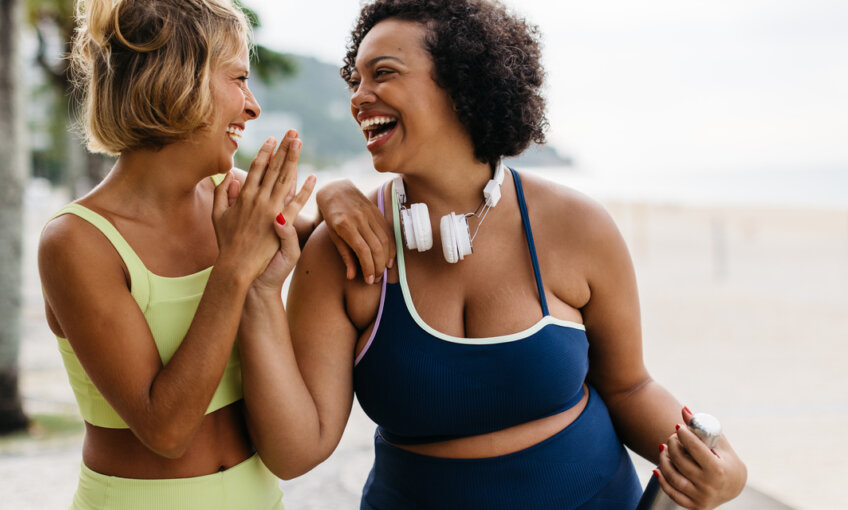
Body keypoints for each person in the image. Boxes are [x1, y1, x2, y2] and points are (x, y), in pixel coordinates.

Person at [237, 1, 748, 509]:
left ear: (463, 84)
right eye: (355, 80)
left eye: (383, 74)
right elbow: (296, 452)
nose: (358, 97)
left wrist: (724, 468)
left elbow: (630, 387)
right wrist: (258, 290)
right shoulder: (341, 249)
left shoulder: (579, 226)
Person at [38, 1, 385, 508]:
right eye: (238, 79)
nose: (252, 106)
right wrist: (234, 267)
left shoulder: (234, 198)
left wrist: (337, 195)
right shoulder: (76, 242)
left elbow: (321, 247)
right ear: (176, 80)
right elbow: (166, 429)